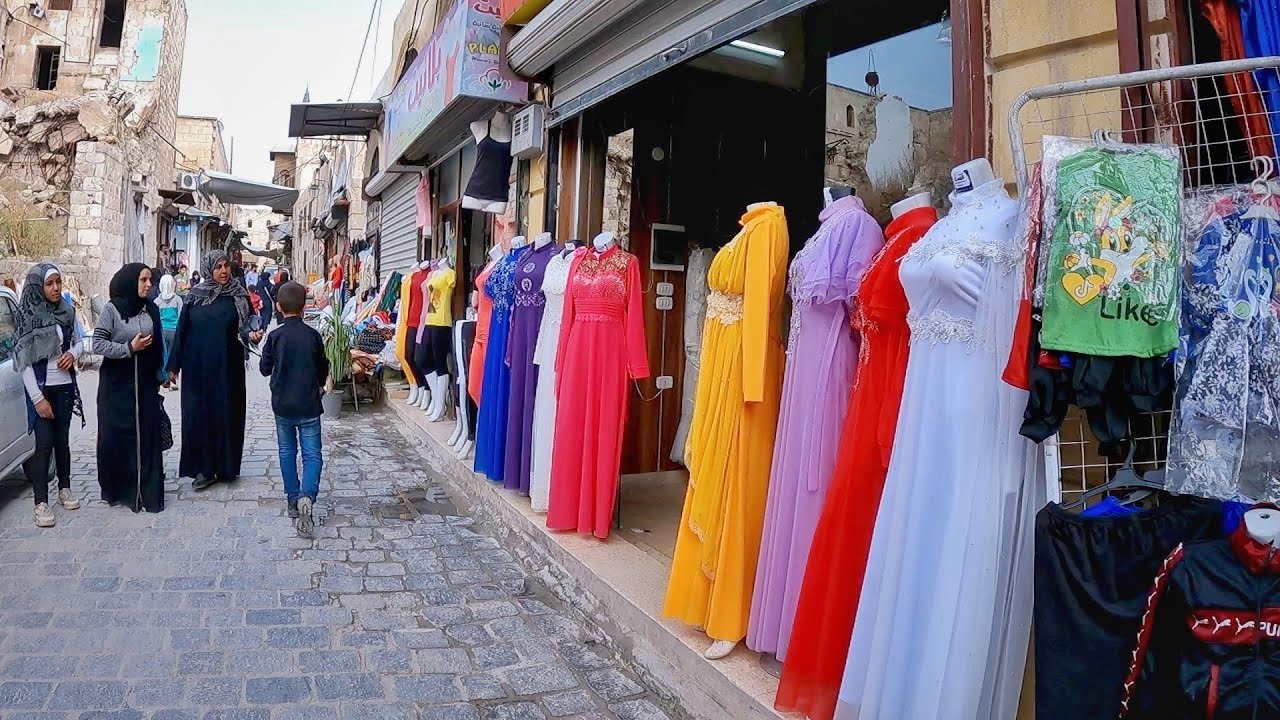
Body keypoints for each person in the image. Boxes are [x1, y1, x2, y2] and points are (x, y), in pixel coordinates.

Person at [167, 250, 263, 491]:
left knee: (226, 414)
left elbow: (248, 326)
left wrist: (253, 335)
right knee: (199, 415)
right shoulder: (195, 296)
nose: (223, 271)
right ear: (210, 268)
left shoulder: (238, 295)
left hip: (228, 369)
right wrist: (173, 365)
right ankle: (203, 469)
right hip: (197, 368)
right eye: (218, 267)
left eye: (226, 266)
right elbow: (182, 331)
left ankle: (226, 467)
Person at [13, 263, 85, 528]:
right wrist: (37, 399)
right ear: (38, 287)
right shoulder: (27, 318)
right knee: (43, 446)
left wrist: (72, 354)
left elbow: (79, 342)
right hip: (42, 390)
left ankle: (64, 488)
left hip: (64, 386)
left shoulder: (67, 312)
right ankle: (40, 503)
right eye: (49, 284)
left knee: (62, 441)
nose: (56, 289)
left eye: (58, 283)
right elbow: (24, 362)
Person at [94, 264, 167, 512]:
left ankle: (148, 490)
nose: (149, 285)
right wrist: (128, 349)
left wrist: (162, 372)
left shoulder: (151, 309)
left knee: (147, 436)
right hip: (116, 386)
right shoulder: (112, 309)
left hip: (145, 383)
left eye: (150, 280)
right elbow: (98, 344)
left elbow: (158, 346)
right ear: (129, 282)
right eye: (143, 280)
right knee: (117, 437)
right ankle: (119, 489)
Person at [259, 281, 329, 533]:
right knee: (312, 455)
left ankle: (292, 499)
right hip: (309, 404)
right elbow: (323, 366)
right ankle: (307, 496)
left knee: (287, 451)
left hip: (283, 405)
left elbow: (265, 369)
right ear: (304, 307)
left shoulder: (275, 336)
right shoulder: (313, 336)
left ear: (278, 306)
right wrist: (320, 385)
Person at [155, 274, 183, 389]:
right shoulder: (177, 299)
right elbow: (181, 315)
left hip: (162, 331)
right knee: (174, 355)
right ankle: (173, 377)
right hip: (175, 331)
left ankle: (165, 377)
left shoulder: (157, 301)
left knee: (164, 355)